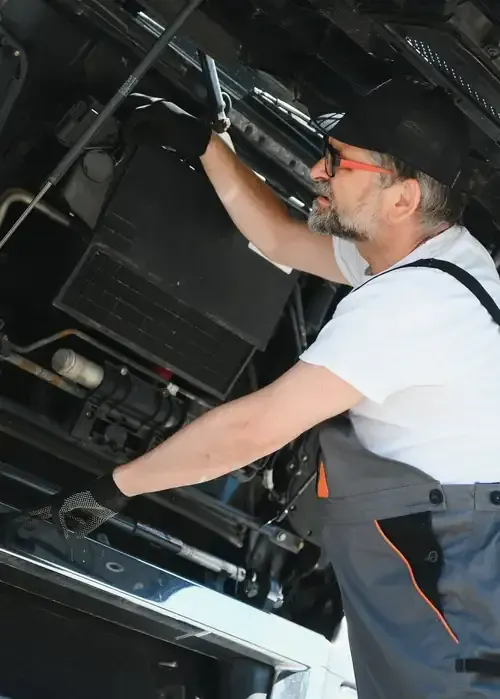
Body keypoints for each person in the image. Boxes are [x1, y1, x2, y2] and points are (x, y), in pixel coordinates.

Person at [15, 80, 500, 698]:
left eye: (339, 162)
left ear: (402, 198)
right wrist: (207, 145)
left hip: (455, 588)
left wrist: (111, 489)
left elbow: (255, 428)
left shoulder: (414, 303)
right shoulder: (435, 254)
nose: (319, 170)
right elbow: (280, 239)